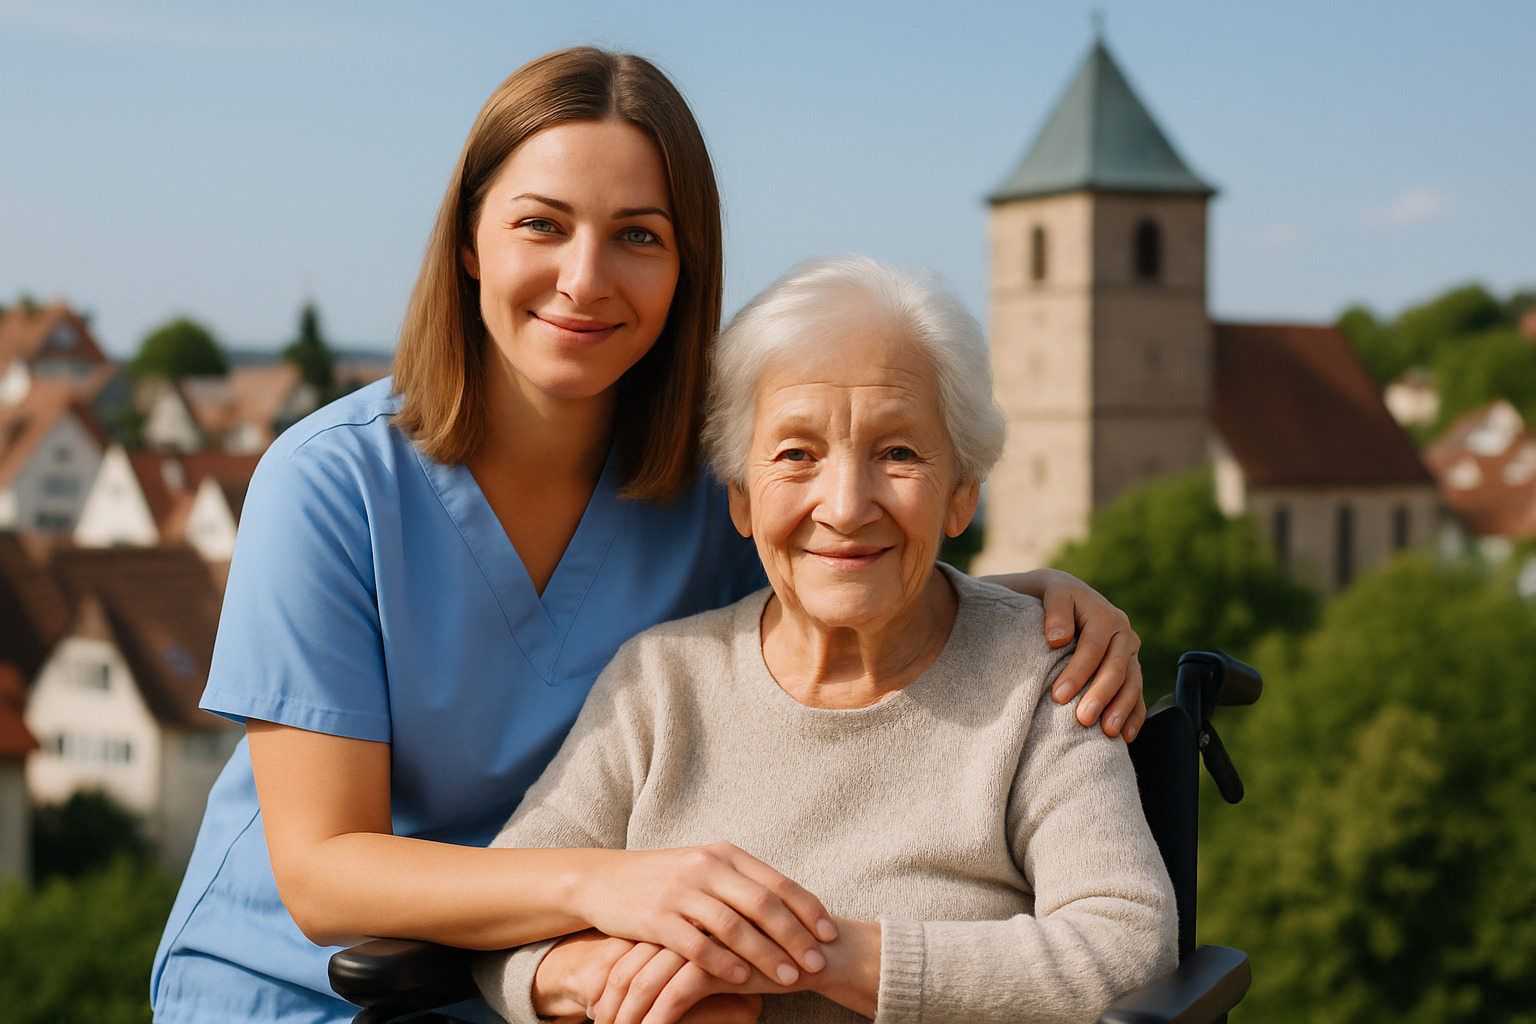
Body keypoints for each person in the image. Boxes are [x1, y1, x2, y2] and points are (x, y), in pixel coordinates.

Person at [150, 49, 1146, 1024]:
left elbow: (833, 571)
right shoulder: (330, 483)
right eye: (541, 225)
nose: (584, 279)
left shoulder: (708, 486)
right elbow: (326, 875)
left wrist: (1033, 594)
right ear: (469, 242)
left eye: (638, 235)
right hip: (308, 983)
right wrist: (615, 889)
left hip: (545, 977)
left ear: (685, 270)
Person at [474, 256, 1177, 1024]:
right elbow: (504, 912)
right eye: (796, 454)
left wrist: (823, 956)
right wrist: (601, 975)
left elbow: (1126, 948)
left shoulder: (1045, 679)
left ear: (963, 493)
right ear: (741, 498)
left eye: (898, 453)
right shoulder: (660, 681)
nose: (844, 506)